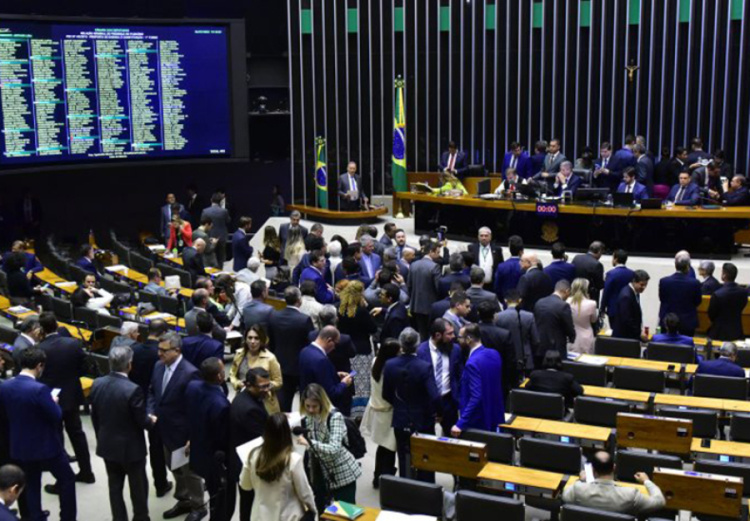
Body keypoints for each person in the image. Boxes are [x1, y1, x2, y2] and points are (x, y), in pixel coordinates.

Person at [0, 348, 77, 521]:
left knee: (32, 484)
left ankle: (36, 518)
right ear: (39, 365)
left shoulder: (5, 386)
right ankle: (68, 517)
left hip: (20, 446)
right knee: (67, 480)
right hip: (46, 446)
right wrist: (54, 402)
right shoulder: (40, 389)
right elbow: (56, 416)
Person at [90, 346, 153, 521]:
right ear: (130, 365)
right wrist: (152, 421)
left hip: (107, 445)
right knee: (138, 488)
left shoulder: (97, 383)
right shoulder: (133, 389)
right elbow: (141, 421)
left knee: (114, 487)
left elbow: (95, 417)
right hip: (132, 450)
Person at [146, 332, 205, 521]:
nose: (159, 354)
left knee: (190, 472)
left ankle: (198, 506)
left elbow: (197, 408)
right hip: (164, 430)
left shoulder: (190, 373)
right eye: (159, 349)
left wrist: (193, 437)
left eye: (163, 350)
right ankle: (184, 499)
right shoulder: (158, 366)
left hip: (183, 433)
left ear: (177, 351)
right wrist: (151, 410)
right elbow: (152, 392)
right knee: (174, 468)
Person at [36, 313, 95, 486]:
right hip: (72, 396)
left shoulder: (40, 349)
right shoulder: (73, 343)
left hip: (51, 399)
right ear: (56, 325)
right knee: (77, 434)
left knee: (57, 438)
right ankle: (87, 472)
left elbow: (39, 376)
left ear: (41, 329)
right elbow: (84, 368)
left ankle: (62, 481)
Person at [382, 328, 440, 482]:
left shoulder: (390, 365)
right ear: (417, 344)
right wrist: (434, 412)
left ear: (401, 344)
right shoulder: (424, 366)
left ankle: (406, 492)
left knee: (403, 457)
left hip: (400, 418)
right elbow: (434, 395)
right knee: (426, 458)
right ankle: (427, 491)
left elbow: (385, 394)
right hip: (423, 420)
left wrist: (399, 406)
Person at [240, 413, 316, 521]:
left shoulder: (253, 454)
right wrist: (314, 512)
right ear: (287, 433)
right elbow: (305, 494)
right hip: (288, 517)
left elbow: (245, 485)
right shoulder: (293, 460)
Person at [298, 384, 362, 511]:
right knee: (326, 512)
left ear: (322, 403)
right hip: (322, 473)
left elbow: (334, 449)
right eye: (307, 406)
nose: (310, 410)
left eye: (314, 406)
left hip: (342, 472)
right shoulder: (308, 417)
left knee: (347, 512)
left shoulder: (334, 417)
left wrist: (309, 443)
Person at [186, 358, 233, 521]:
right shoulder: (222, 405)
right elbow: (223, 439)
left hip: (197, 451)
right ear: (220, 376)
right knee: (219, 499)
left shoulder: (192, 388)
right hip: (214, 459)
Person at [130, 319, 172, 497]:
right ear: (163, 333)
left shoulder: (134, 349)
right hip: (161, 403)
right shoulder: (162, 355)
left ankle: (160, 484)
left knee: (154, 447)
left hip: (140, 403)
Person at [561, 451, 666, 515]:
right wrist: (647, 481)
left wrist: (581, 480)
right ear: (614, 468)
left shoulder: (578, 489)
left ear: (592, 471)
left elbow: (565, 495)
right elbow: (659, 501)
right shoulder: (631, 495)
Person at [231, 368, 271, 521]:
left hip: (241, 455)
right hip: (248, 461)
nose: (267, 390)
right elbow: (264, 437)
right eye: (262, 387)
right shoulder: (250, 409)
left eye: (268, 385)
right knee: (249, 501)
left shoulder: (243, 397)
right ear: (249, 385)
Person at [451, 323, 504, 435]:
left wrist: (460, 423)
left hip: (478, 420)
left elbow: (476, 396)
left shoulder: (472, 363)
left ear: (469, 339)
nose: (458, 340)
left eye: (460, 337)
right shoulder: (495, 354)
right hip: (494, 414)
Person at [267, 286, 315, 412]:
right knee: (305, 400)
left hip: (280, 364)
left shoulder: (273, 316)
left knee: (283, 401)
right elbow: (310, 343)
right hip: (300, 365)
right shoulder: (304, 319)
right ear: (299, 300)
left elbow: (270, 341)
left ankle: (285, 427)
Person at [360, 339, 400, 488]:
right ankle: (386, 479)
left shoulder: (376, 362)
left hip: (376, 410)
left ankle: (377, 476)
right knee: (389, 448)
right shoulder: (390, 370)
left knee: (381, 447)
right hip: (388, 411)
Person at [416, 319, 463, 437]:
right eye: (449, 333)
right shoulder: (420, 351)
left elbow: (460, 375)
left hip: (448, 401)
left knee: (453, 439)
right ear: (438, 335)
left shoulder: (455, 349)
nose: (453, 336)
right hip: (427, 402)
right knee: (427, 439)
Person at [299, 327, 353, 416]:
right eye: (335, 344)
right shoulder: (321, 359)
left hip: (308, 404)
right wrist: (344, 384)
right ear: (329, 341)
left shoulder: (305, 351)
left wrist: (334, 374)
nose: (335, 347)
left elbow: (314, 376)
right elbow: (331, 393)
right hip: (321, 409)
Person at [229, 326, 282, 412]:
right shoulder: (239, 355)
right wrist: (237, 383)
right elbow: (232, 374)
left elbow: (278, 382)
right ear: (245, 339)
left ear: (262, 340)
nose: (252, 341)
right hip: (243, 399)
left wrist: (263, 386)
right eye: (250, 338)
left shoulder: (270, 358)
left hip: (264, 402)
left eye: (256, 338)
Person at [476, 301, 517, 399]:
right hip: (499, 378)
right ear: (495, 315)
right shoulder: (504, 334)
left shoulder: (473, 331)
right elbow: (510, 360)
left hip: (477, 375)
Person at [495, 289, 539, 374]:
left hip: (505, 358)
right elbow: (536, 340)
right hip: (526, 358)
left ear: (505, 301)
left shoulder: (498, 317)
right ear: (520, 300)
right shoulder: (529, 316)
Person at [533, 280, 576, 365]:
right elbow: (569, 327)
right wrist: (572, 338)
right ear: (567, 291)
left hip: (539, 346)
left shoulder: (539, 302)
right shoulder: (563, 306)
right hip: (556, 348)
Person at [658, 255, 702, 336]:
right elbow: (698, 301)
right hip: (687, 323)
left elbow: (662, 299)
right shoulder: (695, 283)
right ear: (687, 267)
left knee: (665, 346)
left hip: (668, 321)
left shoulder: (664, 281)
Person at [407, 240, 442, 339]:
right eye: (438, 252)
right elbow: (438, 287)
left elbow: (409, 285)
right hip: (430, 306)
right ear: (431, 251)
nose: (439, 256)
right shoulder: (435, 266)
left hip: (416, 305)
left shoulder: (413, 264)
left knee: (421, 333)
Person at [708, 262, 748, 341]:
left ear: (724, 275)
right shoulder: (743, 292)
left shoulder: (717, 294)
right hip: (737, 330)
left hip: (719, 332)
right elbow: (743, 305)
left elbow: (711, 314)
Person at [612, 269, 650, 341]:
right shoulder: (626, 296)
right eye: (642, 284)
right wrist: (639, 333)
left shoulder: (633, 292)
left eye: (645, 285)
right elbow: (627, 321)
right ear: (634, 281)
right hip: (624, 338)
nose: (644, 287)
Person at [601, 249, 634, 324]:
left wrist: (602, 308)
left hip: (614, 308)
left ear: (616, 259)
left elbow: (606, 292)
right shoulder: (632, 273)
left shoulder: (611, 274)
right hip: (629, 308)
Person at [567, 278, 599, 355]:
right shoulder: (592, 303)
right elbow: (593, 320)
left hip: (572, 336)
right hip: (587, 336)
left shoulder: (567, 301)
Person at [201, 193, 231, 268]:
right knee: (220, 258)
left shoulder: (205, 211)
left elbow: (202, 222)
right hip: (221, 237)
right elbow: (228, 221)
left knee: (209, 257)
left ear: (211, 200)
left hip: (209, 236)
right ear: (221, 201)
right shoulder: (224, 211)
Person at [572, 241, 605, 306]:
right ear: (599, 252)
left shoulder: (577, 258)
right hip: (589, 297)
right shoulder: (597, 264)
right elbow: (599, 285)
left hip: (574, 294)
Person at [493, 235, 525, 302]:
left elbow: (497, 287)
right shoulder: (525, 266)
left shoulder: (501, 266)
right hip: (522, 302)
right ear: (521, 250)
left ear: (509, 249)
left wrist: (502, 300)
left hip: (506, 301)